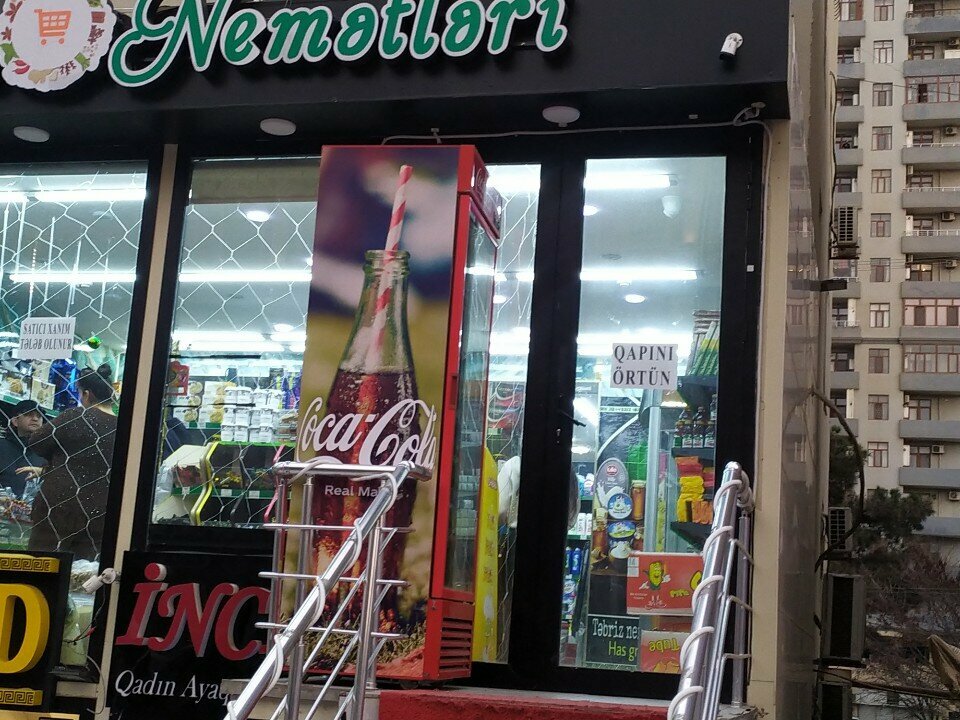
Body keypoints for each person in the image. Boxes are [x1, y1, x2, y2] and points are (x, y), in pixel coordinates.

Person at [28, 364, 118, 560]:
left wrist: (55, 462)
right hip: (102, 509)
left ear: (86, 394)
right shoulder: (122, 426)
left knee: (44, 563)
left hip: (59, 504)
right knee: (85, 568)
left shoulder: (76, 415)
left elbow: (36, 441)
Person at [0, 400, 47, 497]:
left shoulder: (46, 453)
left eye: (39, 416)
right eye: (29, 414)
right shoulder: (2, 446)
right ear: (15, 421)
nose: (35, 419)